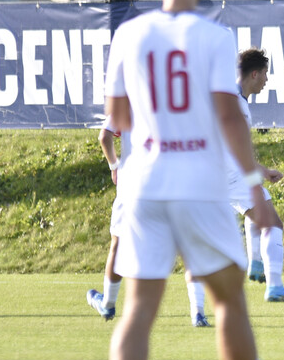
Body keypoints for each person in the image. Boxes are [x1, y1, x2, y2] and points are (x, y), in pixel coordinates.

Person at [103, 0, 284, 360]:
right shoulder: (215, 38)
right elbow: (230, 117)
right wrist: (255, 189)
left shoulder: (129, 34)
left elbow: (119, 119)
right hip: (197, 183)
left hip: (144, 184)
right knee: (230, 303)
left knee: (138, 309)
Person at [86, 123, 214, 327]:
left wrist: (114, 166)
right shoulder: (176, 100)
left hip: (133, 188)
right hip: (172, 183)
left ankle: (108, 304)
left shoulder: (127, 100)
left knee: (119, 246)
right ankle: (197, 312)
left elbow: (104, 136)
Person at [227, 47, 284, 302]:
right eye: (265, 74)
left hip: (224, 173)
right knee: (273, 223)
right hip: (230, 174)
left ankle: (256, 264)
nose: (266, 80)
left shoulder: (230, 98)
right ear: (254, 74)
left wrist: (261, 171)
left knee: (259, 205)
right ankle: (274, 286)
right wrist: (260, 170)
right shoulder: (234, 103)